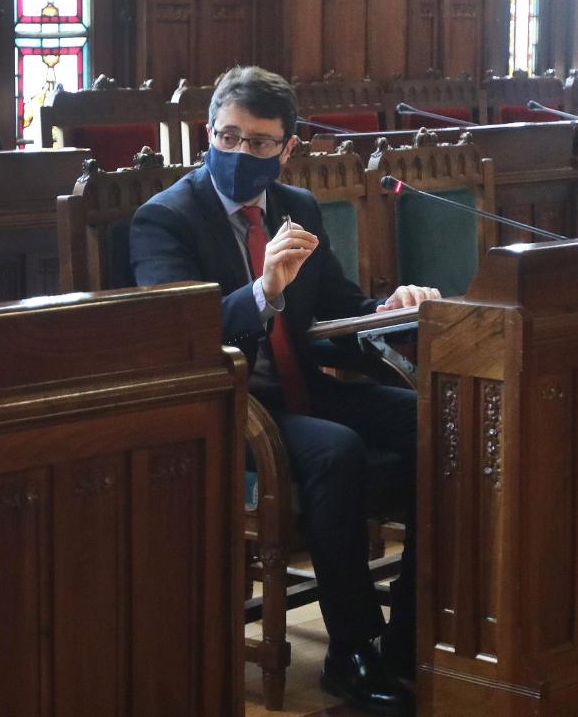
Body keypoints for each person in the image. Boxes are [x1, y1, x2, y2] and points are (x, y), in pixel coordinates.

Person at [130, 66, 438, 717]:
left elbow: (336, 310)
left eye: (260, 143)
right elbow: (177, 336)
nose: (240, 153)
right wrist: (263, 291)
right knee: (335, 449)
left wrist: (391, 311)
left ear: (287, 148)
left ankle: (412, 636)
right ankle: (350, 650)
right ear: (208, 133)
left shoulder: (297, 207)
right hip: (229, 408)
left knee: (433, 420)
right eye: (228, 137)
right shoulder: (165, 220)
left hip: (304, 387)